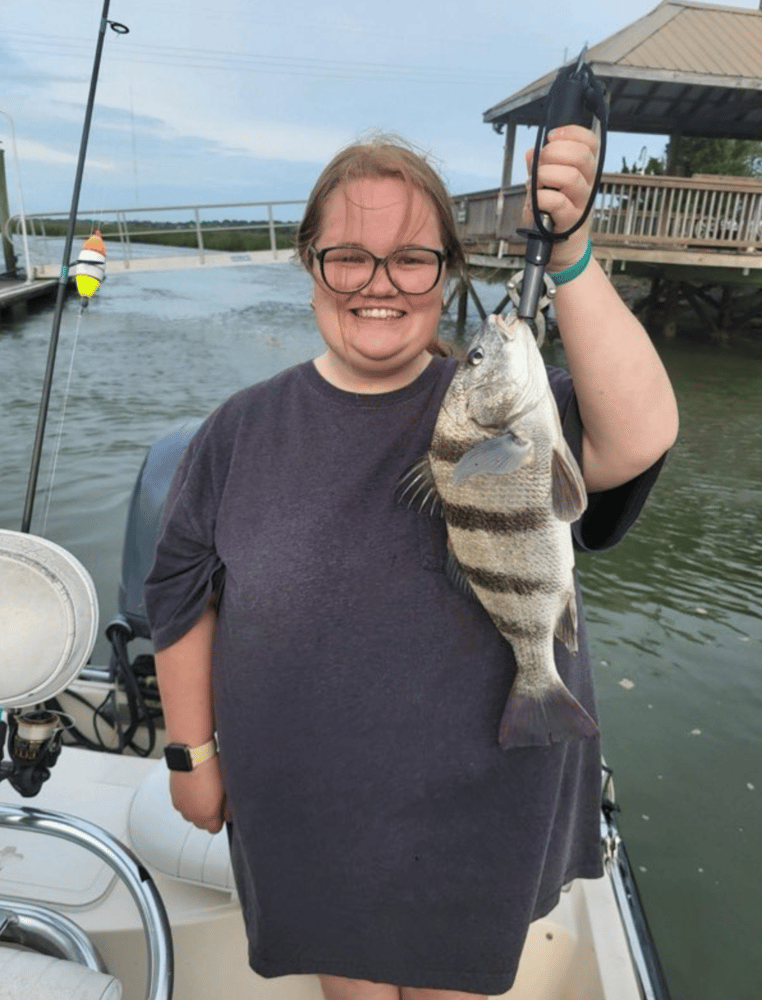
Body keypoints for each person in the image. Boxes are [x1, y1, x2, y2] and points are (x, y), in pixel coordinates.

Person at [145, 126, 678, 1000]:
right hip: (309, 803)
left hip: (481, 801)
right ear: (309, 263)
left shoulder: (499, 415)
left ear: (449, 272)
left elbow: (640, 434)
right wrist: (190, 752)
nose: (378, 284)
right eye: (348, 256)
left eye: (412, 259)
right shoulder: (238, 430)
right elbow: (178, 589)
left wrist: (574, 253)